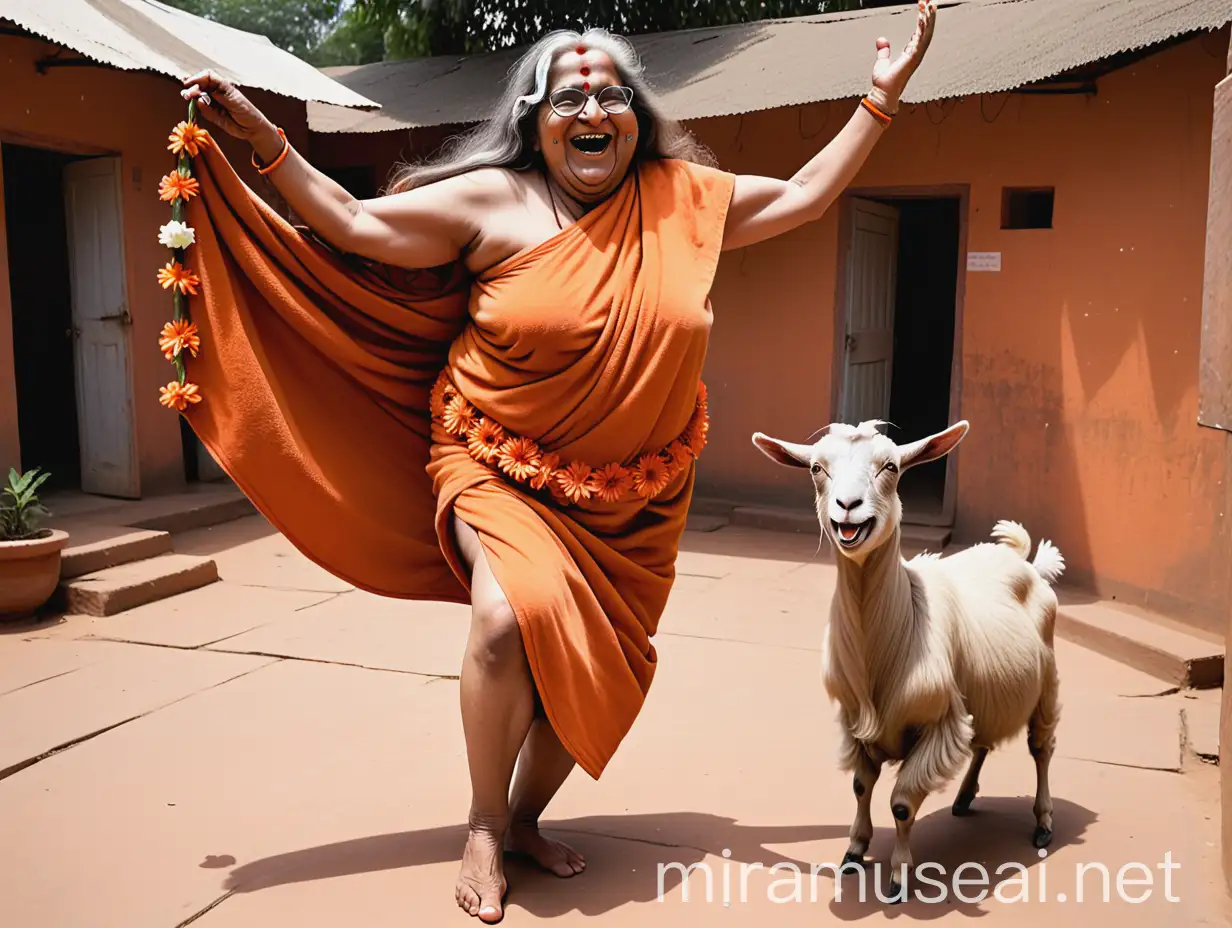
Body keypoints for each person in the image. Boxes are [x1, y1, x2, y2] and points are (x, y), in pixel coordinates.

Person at [177, 2, 937, 921]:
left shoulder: (683, 200)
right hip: (494, 462)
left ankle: (524, 816)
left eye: (612, 93)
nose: (592, 108)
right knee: (509, 621)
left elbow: (809, 196)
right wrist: (263, 138)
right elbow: (346, 220)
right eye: (568, 95)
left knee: (594, 668)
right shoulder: (486, 202)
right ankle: (484, 827)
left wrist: (879, 100)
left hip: (637, 499)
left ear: (637, 118)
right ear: (534, 120)